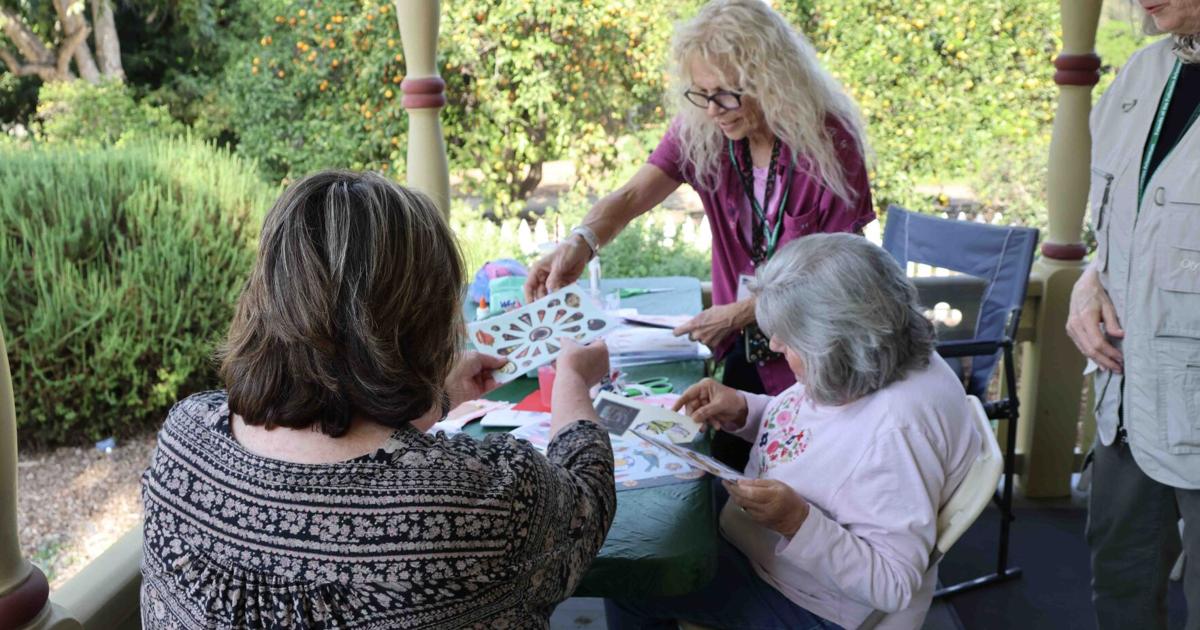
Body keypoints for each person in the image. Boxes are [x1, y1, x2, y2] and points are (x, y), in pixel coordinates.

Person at [139, 171, 617, 629]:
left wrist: (435, 399)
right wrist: (572, 381)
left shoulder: (185, 441)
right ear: (425, 320)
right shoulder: (476, 504)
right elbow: (586, 509)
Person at [523, 0, 876, 470]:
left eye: (726, 94)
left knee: (801, 477)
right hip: (746, 351)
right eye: (701, 93)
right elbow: (632, 196)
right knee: (726, 471)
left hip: (815, 359)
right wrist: (580, 242)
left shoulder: (832, 142)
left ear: (771, 79)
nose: (713, 110)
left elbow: (837, 272)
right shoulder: (703, 130)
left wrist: (737, 314)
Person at [605, 234, 981, 630]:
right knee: (663, 512)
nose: (774, 343)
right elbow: (821, 434)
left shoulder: (896, 433)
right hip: (765, 544)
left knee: (631, 575)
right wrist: (746, 410)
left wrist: (797, 522)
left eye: (790, 339)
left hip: (809, 600)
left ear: (836, 344)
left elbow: (893, 583)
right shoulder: (875, 356)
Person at [1066, 2, 1200, 628]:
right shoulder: (1143, 73)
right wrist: (1090, 279)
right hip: (1127, 396)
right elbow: (1124, 227)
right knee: (1120, 582)